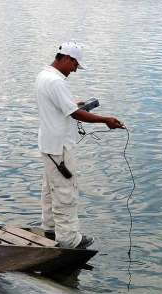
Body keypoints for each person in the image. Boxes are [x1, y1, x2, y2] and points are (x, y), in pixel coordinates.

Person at [35, 42, 124, 249]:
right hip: (60, 148)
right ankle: (69, 240)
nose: (75, 70)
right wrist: (105, 119)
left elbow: (61, 107)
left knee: (50, 189)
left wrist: (73, 104)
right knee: (66, 191)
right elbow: (74, 113)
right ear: (67, 58)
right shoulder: (56, 82)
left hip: (48, 144)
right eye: (75, 65)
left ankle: (50, 230)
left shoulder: (43, 76)